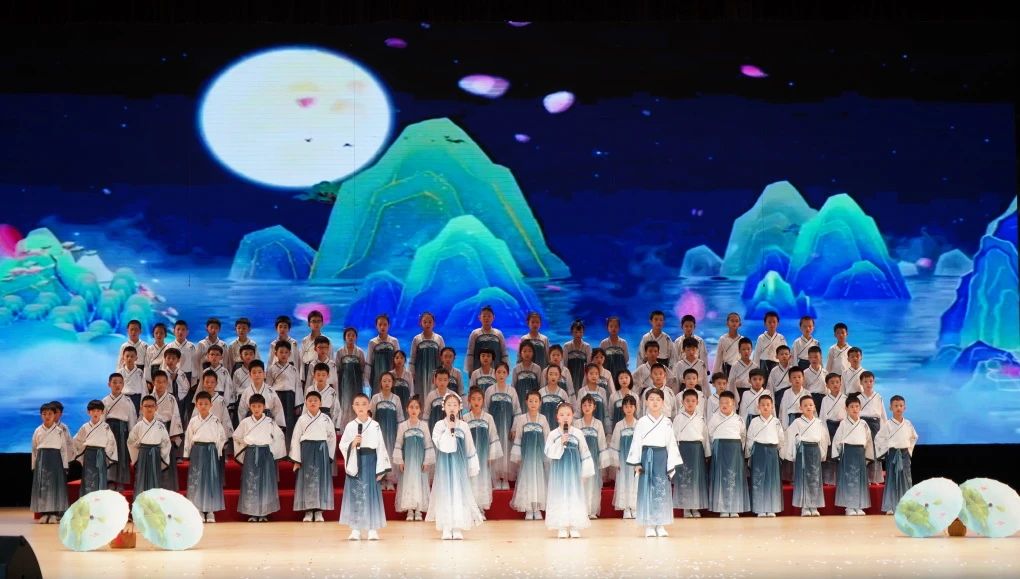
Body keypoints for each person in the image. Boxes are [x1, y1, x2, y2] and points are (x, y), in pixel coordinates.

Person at [427, 393, 484, 540]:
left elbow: (469, 446)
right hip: (444, 466)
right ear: (444, 407)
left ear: (459, 407)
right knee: (445, 493)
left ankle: (457, 526)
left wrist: (472, 465)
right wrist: (449, 429)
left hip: (459, 465)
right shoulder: (439, 425)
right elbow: (438, 443)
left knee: (459, 493)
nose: (452, 407)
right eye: (449, 405)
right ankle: (446, 526)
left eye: (454, 405)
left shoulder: (464, 426)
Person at [627, 388, 682, 537]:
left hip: (661, 457)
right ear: (646, 402)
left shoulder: (667, 422)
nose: (655, 402)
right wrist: (637, 463)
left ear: (663, 402)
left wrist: (671, 463)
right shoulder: (642, 422)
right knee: (647, 489)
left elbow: (671, 443)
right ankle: (649, 525)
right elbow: (636, 442)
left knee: (661, 489)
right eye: (651, 399)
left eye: (658, 399)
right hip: (647, 457)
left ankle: (660, 524)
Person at [339, 393, 391, 540]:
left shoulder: (375, 425)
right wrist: (352, 443)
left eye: (363, 404)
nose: (360, 407)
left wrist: (381, 468)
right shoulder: (350, 426)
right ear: (353, 407)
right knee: (356, 494)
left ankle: (372, 528)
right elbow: (342, 445)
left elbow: (380, 446)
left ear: (369, 406)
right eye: (357, 404)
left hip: (371, 462)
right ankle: (355, 529)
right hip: (356, 461)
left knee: (371, 494)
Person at [545, 403, 595, 539]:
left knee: (574, 494)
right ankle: (561, 526)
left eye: (568, 414)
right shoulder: (553, 434)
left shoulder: (578, 433)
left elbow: (584, 451)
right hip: (559, 471)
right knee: (560, 495)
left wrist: (585, 471)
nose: (565, 417)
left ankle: (574, 525)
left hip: (574, 470)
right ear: (557, 417)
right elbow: (548, 452)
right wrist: (559, 443)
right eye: (562, 415)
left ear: (573, 416)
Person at [234, 393, 287, 522]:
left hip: (265, 453)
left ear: (264, 407)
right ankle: (252, 512)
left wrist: (272, 451)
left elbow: (279, 436)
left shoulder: (270, 422)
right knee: (251, 481)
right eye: (254, 406)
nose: (256, 409)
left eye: (259, 406)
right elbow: (236, 436)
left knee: (265, 481)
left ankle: (264, 512)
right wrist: (245, 443)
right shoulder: (245, 422)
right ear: (249, 407)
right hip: (251, 453)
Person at [290, 390, 337, 522]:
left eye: (315, 400)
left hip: (322, 450)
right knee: (307, 480)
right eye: (310, 401)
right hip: (306, 451)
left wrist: (329, 455)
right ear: (306, 403)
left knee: (320, 479)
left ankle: (320, 511)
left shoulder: (326, 419)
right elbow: (295, 438)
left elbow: (332, 437)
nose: (313, 403)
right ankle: (308, 511)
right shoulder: (302, 419)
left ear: (320, 403)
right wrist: (297, 459)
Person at [183, 391, 227, 523]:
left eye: (206, 403)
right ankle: (198, 510)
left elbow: (222, 437)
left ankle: (210, 510)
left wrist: (217, 451)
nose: (203, 406)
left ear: (211, 405)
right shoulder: (193, 421)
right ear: (196, 405)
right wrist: (187, 454)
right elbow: (188, 438)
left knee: (210, 479)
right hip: (197, 450)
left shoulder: (216, 420)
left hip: (211, 451)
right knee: (197, 479)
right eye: (200, 403)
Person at [783, 397, 829, 516]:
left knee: (815, 478)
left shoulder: (818, 422)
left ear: (814, 407)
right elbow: (789, 436)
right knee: (803, 478)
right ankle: (804, 507)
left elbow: (824, 439)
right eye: (805, 405)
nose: (808, 407)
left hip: (815, 450)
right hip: (803, 451)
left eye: (811, 405)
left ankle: (814, 506)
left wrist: (822, 452)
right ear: (800, 408)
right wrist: (795, 447)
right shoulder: (797, 422)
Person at [708, 391, 749, 517]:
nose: (724, 405)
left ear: (733, 404)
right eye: (721, 403)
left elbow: (743, 436)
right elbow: (710, 434)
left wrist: (739, 449)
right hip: (720, 448)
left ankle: (735, 507)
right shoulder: (714, 418)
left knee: (734, 477)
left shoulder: (739, 419)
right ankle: (723, 508)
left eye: (727, 402)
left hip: (735, 449)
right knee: (721, 476)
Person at [510, 390, 550, 520]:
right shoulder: (521, 419)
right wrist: (518, 455)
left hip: (538, 456)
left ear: (540, 403)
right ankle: (528, 508)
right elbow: (518, 437)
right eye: (531, 401)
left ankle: (537, 508)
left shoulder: (543, 419)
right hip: (526, 456)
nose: (533, 403)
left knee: (538, 480)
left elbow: (547, 437)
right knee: (527, 480)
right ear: (526, 402)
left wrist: (547, 455)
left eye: (536, 401)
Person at [832, 394, 875, 516]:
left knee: (859, 480)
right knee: (849, 480)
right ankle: (849, 507)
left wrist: (867, 456)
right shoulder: (843, 424)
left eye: (857, 406)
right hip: (848, 453)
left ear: (860, 408)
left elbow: (868, 441)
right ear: (846, 408)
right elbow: (837, 440)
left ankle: (858, 506)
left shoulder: (863, 424)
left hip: (860, 453)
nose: (855, 409)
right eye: (851, 407)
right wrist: (839, 455)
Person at [393, 396, 434, 521]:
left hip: (420, 461)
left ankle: (418, 510)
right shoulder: (402, 426)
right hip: (408, 461)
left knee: (420, 483)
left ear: (420, 410)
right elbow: (399, 444)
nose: (414, 410)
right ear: (407, 409)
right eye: (411, 407)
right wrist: (400, 461)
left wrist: (426, 461)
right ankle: (410, 510)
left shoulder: (424, 426)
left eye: (416, 407)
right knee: (409, 483)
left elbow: (428, 444)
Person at [672, 389, 710, 518]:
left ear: (697, 402)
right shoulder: (678, 418)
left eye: (693, 401)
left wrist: (707, 453)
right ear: (682, 402)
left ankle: (695, 507)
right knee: (684, 478)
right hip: (683, 450)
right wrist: (674, 453)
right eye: (687, 401)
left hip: (697, 450)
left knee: (696, 479)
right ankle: (686, 508)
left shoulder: (700, 419)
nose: (690, 403)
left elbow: (705, 437)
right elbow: (673, 437)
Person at [876, 395, 917, 514]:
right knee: (892, 479)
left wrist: (909, 450)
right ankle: (890, 506)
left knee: (906, 479)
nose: (898, 408)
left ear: (905, 407)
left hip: (904, 454)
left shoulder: (908, 424)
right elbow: (878, 439)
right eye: (896, 406)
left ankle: (907, 506)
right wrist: (888, 447)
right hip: (893, 454)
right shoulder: (887, 424)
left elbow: (914, 437)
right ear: (890, 408)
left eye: (901, 406)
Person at [464, 387, 503, 517]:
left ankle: (481, 508)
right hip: (469, 456)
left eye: (479, 399)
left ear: (483, 401)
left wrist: (491, 455)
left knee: (482, 479)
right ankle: (471, 508)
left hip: (483, 455)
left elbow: (493, 436)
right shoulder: (465, 418)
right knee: (470, 479)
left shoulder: (488, 418)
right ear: (469, 400)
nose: (476, 402)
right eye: (473, 399)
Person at [745, 394, 784, 517]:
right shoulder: (754, 421)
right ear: (758, 407)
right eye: (762, 405)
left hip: (772, 451)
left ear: (772, 407)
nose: (765, 407)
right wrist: (748, 455)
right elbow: (749, 438)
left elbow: (781, 439)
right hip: (758, 451)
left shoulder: (776, 422)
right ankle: (760, 508)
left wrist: (779, 453)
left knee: (772, 479)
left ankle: (772, 508)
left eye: (768, 405)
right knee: (759, 479)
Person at [31, 403, 69, 523]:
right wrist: (34, 465)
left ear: (54, 415)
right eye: (44, 414)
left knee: (55, 486)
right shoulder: (38, 430)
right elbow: (34, 449)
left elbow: (63, 449)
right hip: (42, 459)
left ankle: (53, 513)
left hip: (55, 459)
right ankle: (44, 513)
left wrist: (65, 465)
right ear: (41, 415)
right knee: (43, 486)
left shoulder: (59, 431)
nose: (47, 416)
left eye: (50, 414)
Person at [485, 363, 520, 491]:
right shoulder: (489, 390)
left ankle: (504, 479)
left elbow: (517, 411)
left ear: (508, 374)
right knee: (494, 451)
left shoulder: (512, 391)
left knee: (505, 451)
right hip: (494, 427)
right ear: (495, 374)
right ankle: (494, 479)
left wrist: (514, 428)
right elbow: (485, 410)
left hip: (507, 427)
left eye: (504, 372)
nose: (501, 375)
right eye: (498, 372)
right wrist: (487, 428)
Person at [575, 395, 610, 519]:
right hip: (580, 459)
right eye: (584, 405)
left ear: (594, 407)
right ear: (581, 407)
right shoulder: (577, 423)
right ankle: (581, 511)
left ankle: (592, 510)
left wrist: (602, 460)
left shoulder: (598, 423)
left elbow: (602, 442)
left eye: (589, 405)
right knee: (581, 483)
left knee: (593, 484)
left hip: (594, 458)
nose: (587, 407)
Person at [128, 395, 172, 494]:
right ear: (141, 408)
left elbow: (166, 443)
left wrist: (162, 455)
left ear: (156, 408)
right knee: (141, 479)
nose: (149, 408)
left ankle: (154, 501)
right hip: (142, 454)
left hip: (156, 454)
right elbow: (130, 442)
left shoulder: (160, 426)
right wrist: (137, 455)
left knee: (155, 478)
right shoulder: (138, 426)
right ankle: (141, 501)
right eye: (146, 406)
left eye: (152, 406)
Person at [72, 400, 117, 497]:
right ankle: (88, 502)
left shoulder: (106, 427)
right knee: (88, 478)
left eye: (98, 411)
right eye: (93, 411)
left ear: (102, 412)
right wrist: (80, 451)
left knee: (101, 477)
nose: (95, 413)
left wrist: (108, 454)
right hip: (89, 455)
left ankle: (100, 502)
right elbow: (77, 441)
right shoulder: (85, 427)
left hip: (101, 454)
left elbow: (111, 442)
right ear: (88, 412)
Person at [370, 372, 405, 490]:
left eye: (389, 381)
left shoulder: (396, 398)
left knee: (390, 454)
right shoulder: (375, 398)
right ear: (380, 382)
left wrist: (400, 434)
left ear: (393, 383)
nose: (387, 383)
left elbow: (400, 417)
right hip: (379, 432)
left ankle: (389, 480)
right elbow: (371, 416)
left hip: (392, 433)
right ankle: (380, 480)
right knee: (379, 454)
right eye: (384, 381)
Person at [150, 371, 184, 490]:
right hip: (152, 430)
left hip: (168, 430)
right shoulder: (149, 398)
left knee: (167, 458)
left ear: (167, 383)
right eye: (158, 382)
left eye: (163, 382)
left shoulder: (171, 398)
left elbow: (176, 416)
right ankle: (154, 486)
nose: (161, 384)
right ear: (153, 382)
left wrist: (173, 435)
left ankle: (168, 488)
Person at [103, 373, 135, 490]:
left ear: (123, 384)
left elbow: (132, 419)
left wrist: (132, 436)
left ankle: (121, 481)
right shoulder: (105, 401)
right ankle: (110, 480)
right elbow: (102, 420)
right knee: (110, 454)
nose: (117, 385)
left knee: (122, 455)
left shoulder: (128, 401)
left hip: (123, 431)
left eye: (120, 382)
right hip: (110, 429)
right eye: (114, 382)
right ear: (109, 384)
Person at [609, 395, 639, 519]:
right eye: (626, 406)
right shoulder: (619, 425)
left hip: (636, 460)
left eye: (631, 406)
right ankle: (626, 508)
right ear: (622, 408)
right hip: (623, 460)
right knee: (624, 482)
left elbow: (641, 444)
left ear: (635, 407)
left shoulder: (639, 424)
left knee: (636, 483)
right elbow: (614, 444)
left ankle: (635, 507)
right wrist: (617, 462)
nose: (629, 409)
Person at [266, 340, 300, 446]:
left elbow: (298, 387)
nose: (283, 355)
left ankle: (288, 448)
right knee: (277, 422)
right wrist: (269, 403)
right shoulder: (271, 369)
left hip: (290, 398)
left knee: (289, 423)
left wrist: (298, 405)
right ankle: (276, 448)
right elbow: (268, 387)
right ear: (275, 353)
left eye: (286, 352)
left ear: (290, 353)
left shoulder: (294, 369)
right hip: (277, 397)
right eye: (281, 352)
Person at [857, 371, 887, 484]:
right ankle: (864, 479)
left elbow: (883, 416)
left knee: (874, 451)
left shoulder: (878, 397)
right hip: (862, 425)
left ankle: (875, 478)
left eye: (870, 381)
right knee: (864, 451)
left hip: (875, 426)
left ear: (874, 382)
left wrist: (883, 432)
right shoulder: (858, 398)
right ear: (861, 383)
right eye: (865, 381)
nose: (868, 384)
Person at [237, 360, 286, 431]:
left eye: (259, 372)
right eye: (254, 372)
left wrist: (279, 427)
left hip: (268, 423)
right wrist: (243, 427)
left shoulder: (270, 391)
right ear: (250, 375)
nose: (257, 375)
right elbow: (242, 411)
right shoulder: (246, 392)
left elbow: (278, 410)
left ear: (264, 374)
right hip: (251, 423)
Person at [409, 312, 445, 400]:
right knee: (420, 395)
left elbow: (443, 357)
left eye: (430, 322)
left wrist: (442, 373)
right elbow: (413, 358)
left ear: (434, 323)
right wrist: (412, 373)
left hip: (435, 372)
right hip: (420, 373)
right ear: (420, 323)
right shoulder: (417, 339)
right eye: (424, 322)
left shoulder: (439, 338)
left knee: (434, 396)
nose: (427, 324)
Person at [819, 373, 847, 485]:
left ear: (840, 383)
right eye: (832, 382)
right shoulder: (825, 399)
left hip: (842, 427)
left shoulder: (845, 398)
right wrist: (824, 433)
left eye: (837, 382)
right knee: (830, 453)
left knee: (842, 452)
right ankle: (829, 479)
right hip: (829, 427)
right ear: (827, 385)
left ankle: (842, 479)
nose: (835, 384)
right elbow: (822, 417)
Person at [336, 327, 368, 422]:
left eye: (353, 335)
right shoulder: (340, 352)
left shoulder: (360, 352)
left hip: (357, 383)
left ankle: (357, 424)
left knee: (357, 402)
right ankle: (344, 426)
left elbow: (363, 368)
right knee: (345, 402)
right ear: (344, 337)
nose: (350, 337)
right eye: (348, 335)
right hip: (344, 383)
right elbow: (337, 368)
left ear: (356, 337)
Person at [466, 305, 509, 373]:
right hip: (478, 369)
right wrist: (470, 369)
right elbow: (470, 353)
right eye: (484, 316)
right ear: (479, 318)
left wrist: (505, 369)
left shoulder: (498, 334)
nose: (486, 318)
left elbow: (504, 353)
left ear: (493, 317)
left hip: (496, 370)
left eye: (489, 316)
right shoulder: (475, 334)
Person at [366, 314, 400, 393]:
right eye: (380, 324)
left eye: (385, 324)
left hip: (391, 375)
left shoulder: (394, 341)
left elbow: (399, 360)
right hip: (377, 375)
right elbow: (369, 362)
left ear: (389, 326)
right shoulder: (372, 342)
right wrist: (366, 378)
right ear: (376, 326)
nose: (382, 327)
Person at [574, 364, 610, 431]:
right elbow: (578, 411)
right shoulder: (582, 391)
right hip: (583, 427)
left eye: (596, 374)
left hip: (599, 425)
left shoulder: (602, 391)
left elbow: (606, 411)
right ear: (586, 375)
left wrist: (608, 430)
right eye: (591, 373)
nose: (594, 376)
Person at [563, 320, 592, 393]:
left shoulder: (587, 346)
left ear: (583, 332)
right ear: (571, 332)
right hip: (570, 374)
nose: (578, 334)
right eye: (576, 332)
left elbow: (589, 365)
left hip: (582, 375)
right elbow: (564, 363)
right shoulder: (566, 346)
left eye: (580, 332)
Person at [599, 316, 629, 387]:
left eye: (616, 326)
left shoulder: (623, 342)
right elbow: (600, 359)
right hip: (607, 371)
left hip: (620, 372)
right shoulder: (604, 343)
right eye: (611, 326)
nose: (613, 328)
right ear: (607, 328)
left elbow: (626, 358)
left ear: (619, 328)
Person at [424, 367, 455, 433]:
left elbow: (456, 415)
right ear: (435, 380)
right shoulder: (431, 395)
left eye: (445, 380)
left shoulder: (453, 395)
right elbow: (426, 415)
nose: (442, 382)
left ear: (448, 380)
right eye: (440, 379)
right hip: (433, 428)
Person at [713, 312, 744, 377]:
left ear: (740, 324)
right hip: (726, 370)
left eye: (736, 321)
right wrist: (714, 374)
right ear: (727, 324)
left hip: (739, 370)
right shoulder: (723, 339)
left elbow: (745, 357)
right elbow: (718, 357)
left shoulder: (742, 340)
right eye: (732, 321)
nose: (734, 323)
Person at [117, 345, 145, 413]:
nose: (129, 358)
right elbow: (116, 389)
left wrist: (143, 402)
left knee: (136, 417)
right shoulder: (119, 372)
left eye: (132, 356)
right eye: (127, 356)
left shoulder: (140, 372)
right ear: (123, 358)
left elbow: (144, 389)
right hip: (123, 398)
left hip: (136, 399)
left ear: (136, 358)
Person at [767, 345, 795, 411]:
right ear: (777, 356)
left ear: (790, 356)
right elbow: (770, 387)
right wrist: (771, 402)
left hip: (792, 395)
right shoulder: (774, 371)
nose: (784, 356)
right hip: (779, 397)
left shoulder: (793, 369)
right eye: (781, 354)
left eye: (786, 354)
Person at [804, 346, 827, 412]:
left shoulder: (825, 372)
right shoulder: (804, 373)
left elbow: (828, 389)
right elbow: (803, 389)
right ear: (808, 358)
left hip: (823, 399)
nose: (813, 359)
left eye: (816, 357)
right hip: (810, 399)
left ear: (821, 357)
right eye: (811, 357)